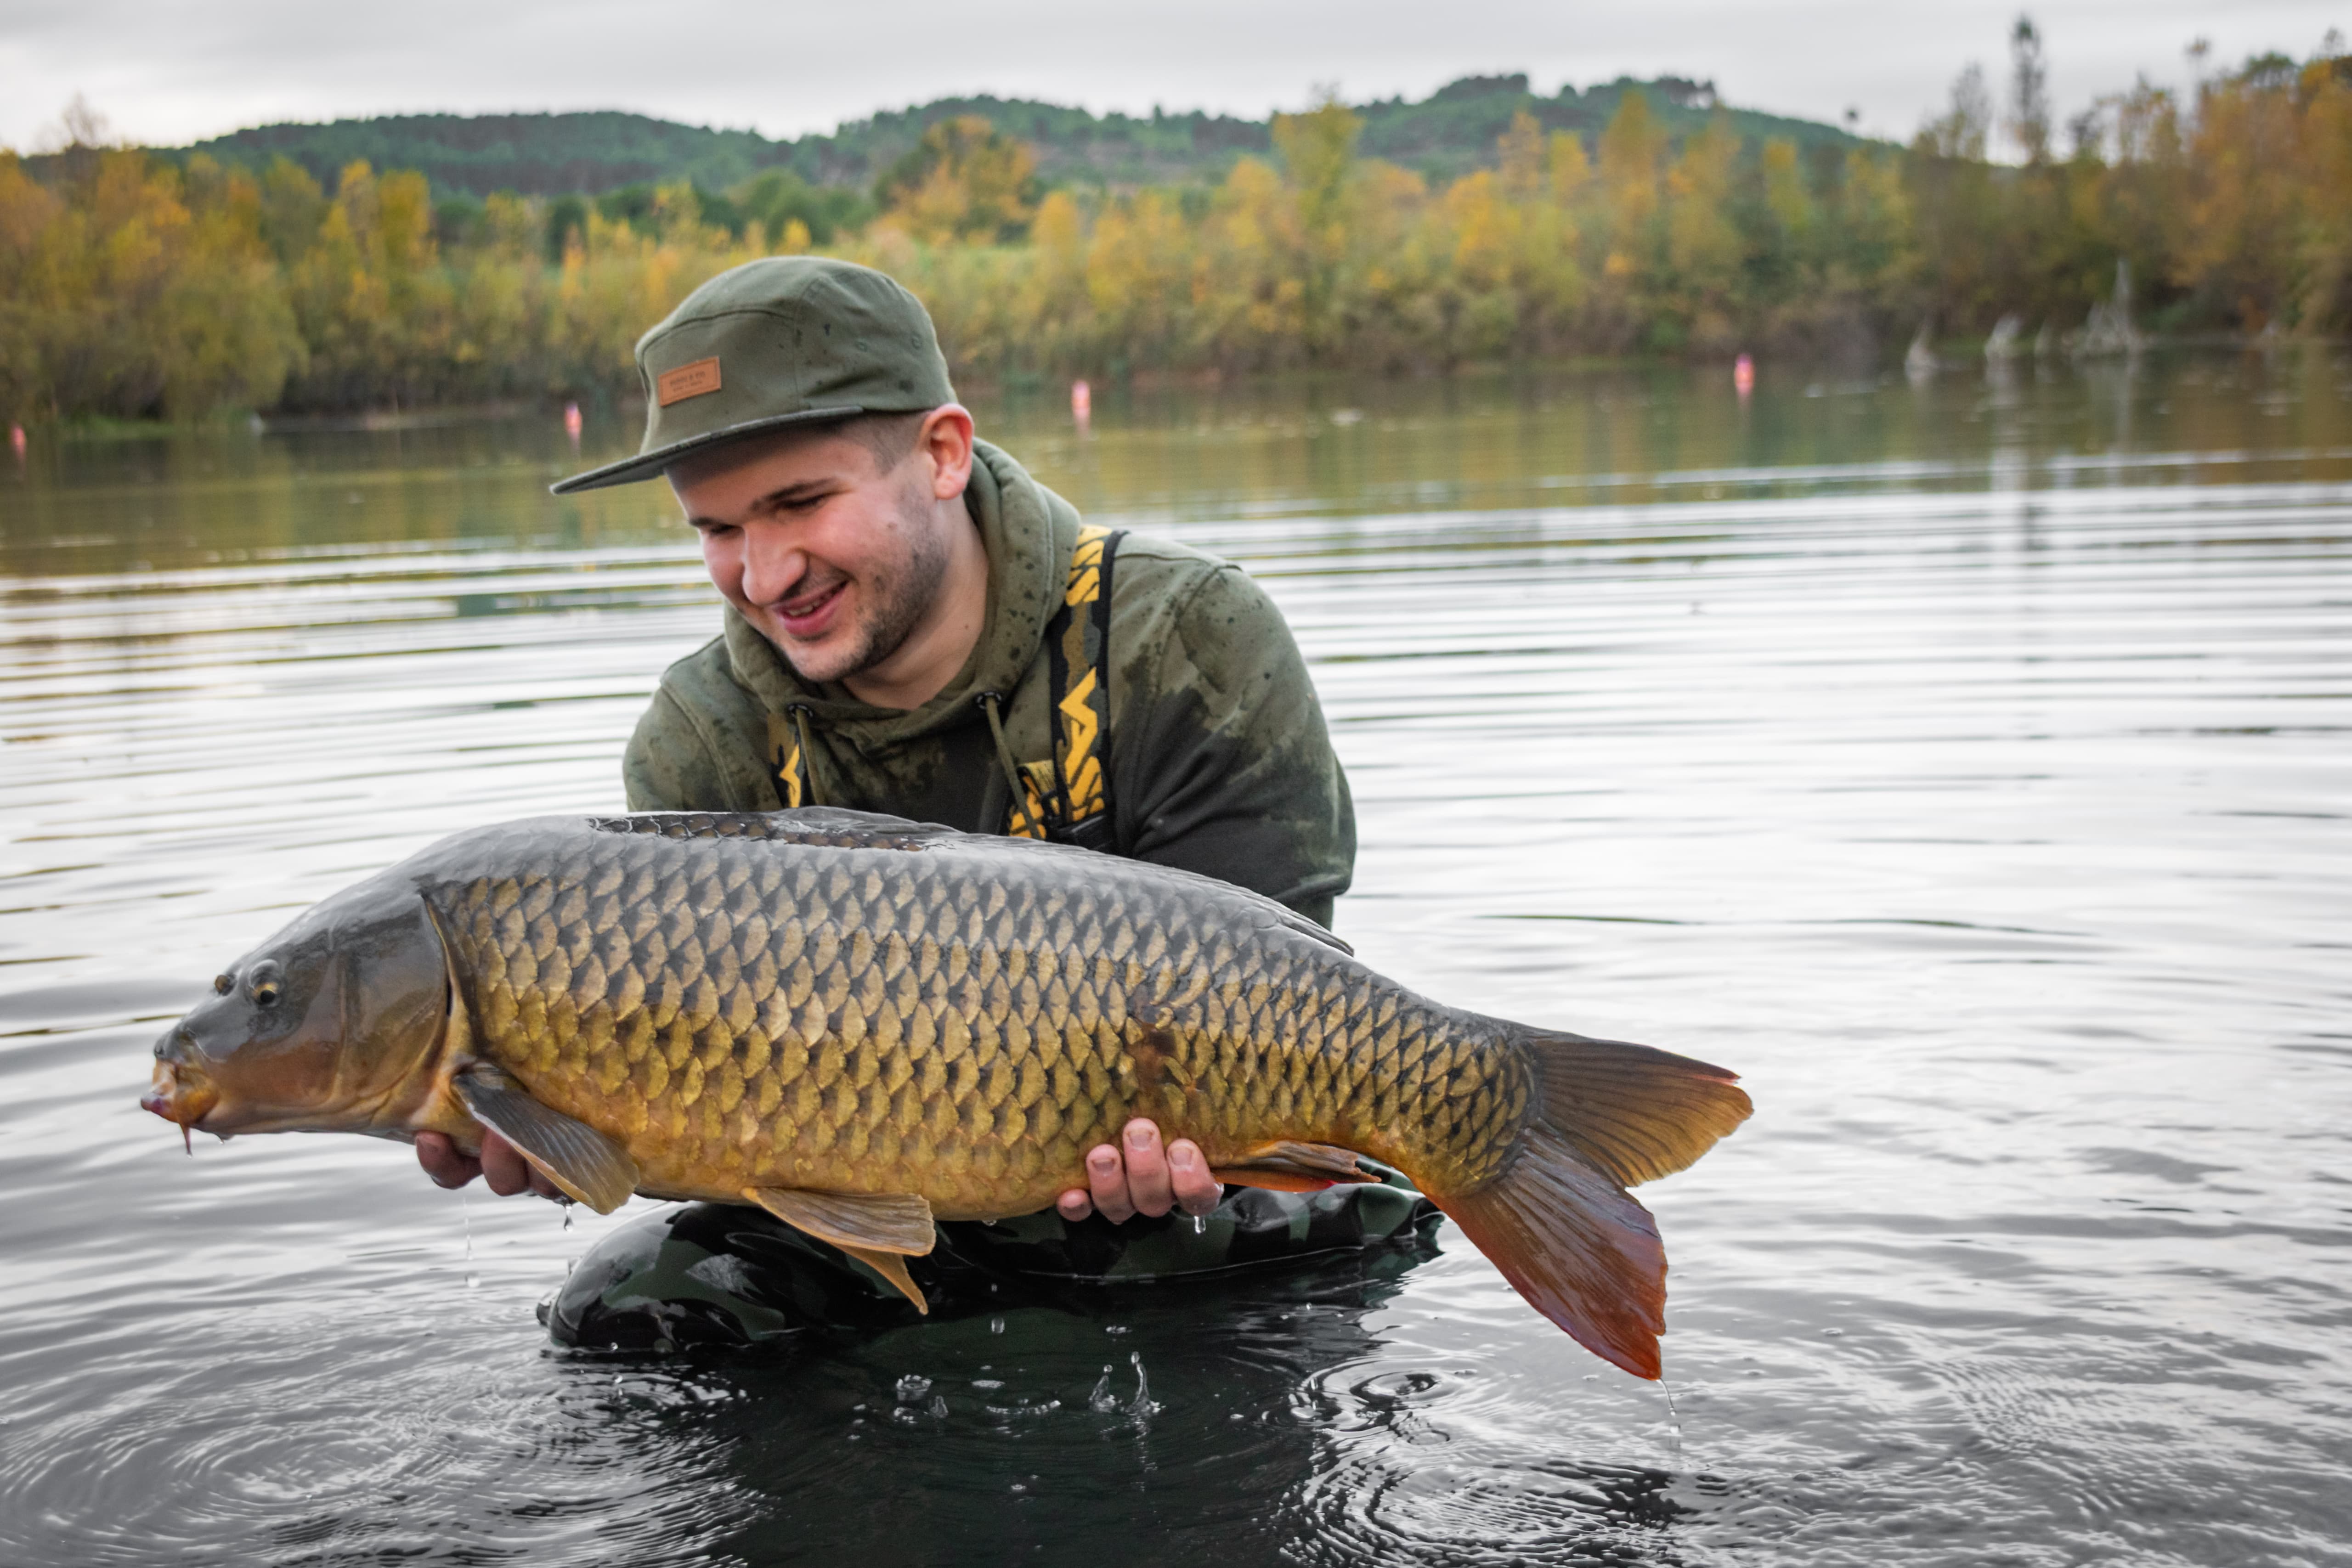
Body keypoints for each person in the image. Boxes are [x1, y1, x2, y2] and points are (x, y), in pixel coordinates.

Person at [413, 257, 1434, 1344]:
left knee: (1336, 1211)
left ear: (943, 455)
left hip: (1177, 1203)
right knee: (626, 1311)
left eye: (801, 503)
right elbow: (706, 1120)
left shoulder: (1184, 638)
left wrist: (1195, 1133)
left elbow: (1278, 994)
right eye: (717, 530)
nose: (764, 575)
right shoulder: (704, 738)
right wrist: (569, 1135)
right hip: (852, 1221)